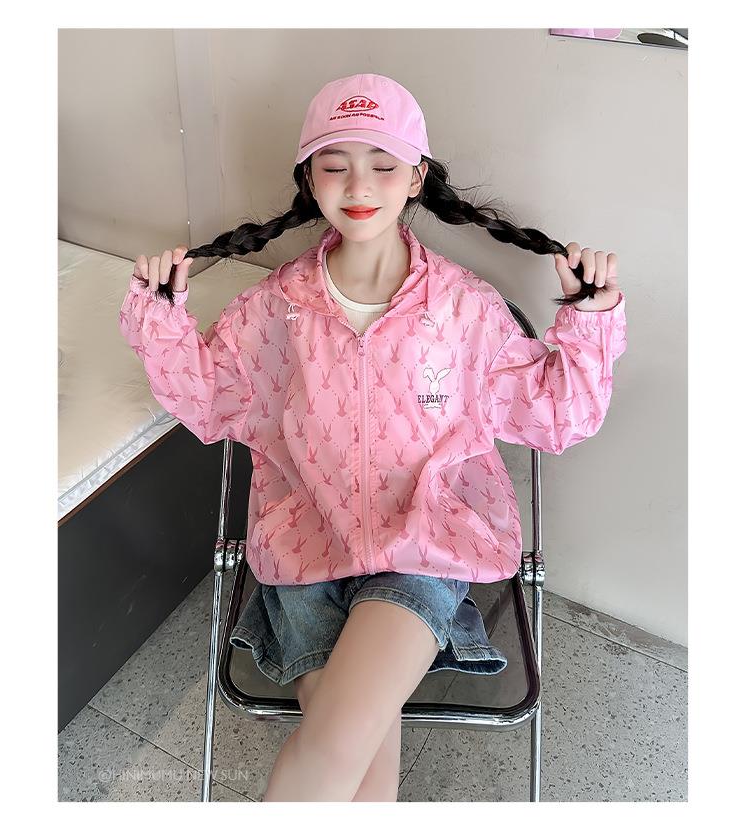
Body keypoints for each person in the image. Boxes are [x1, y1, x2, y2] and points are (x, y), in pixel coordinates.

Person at [119, 73, 627, 801]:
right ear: (309, 178)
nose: (359, 185)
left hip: (423, 549)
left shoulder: (464, 309)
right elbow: (209, 399)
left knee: (333, 745)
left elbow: (558, 418)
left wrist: (590, 319)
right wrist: (161, 317)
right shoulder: (275, 309)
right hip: (307, 550)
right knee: (359, 763)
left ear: (417, 176)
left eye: (384, 165)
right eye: (336, 165)